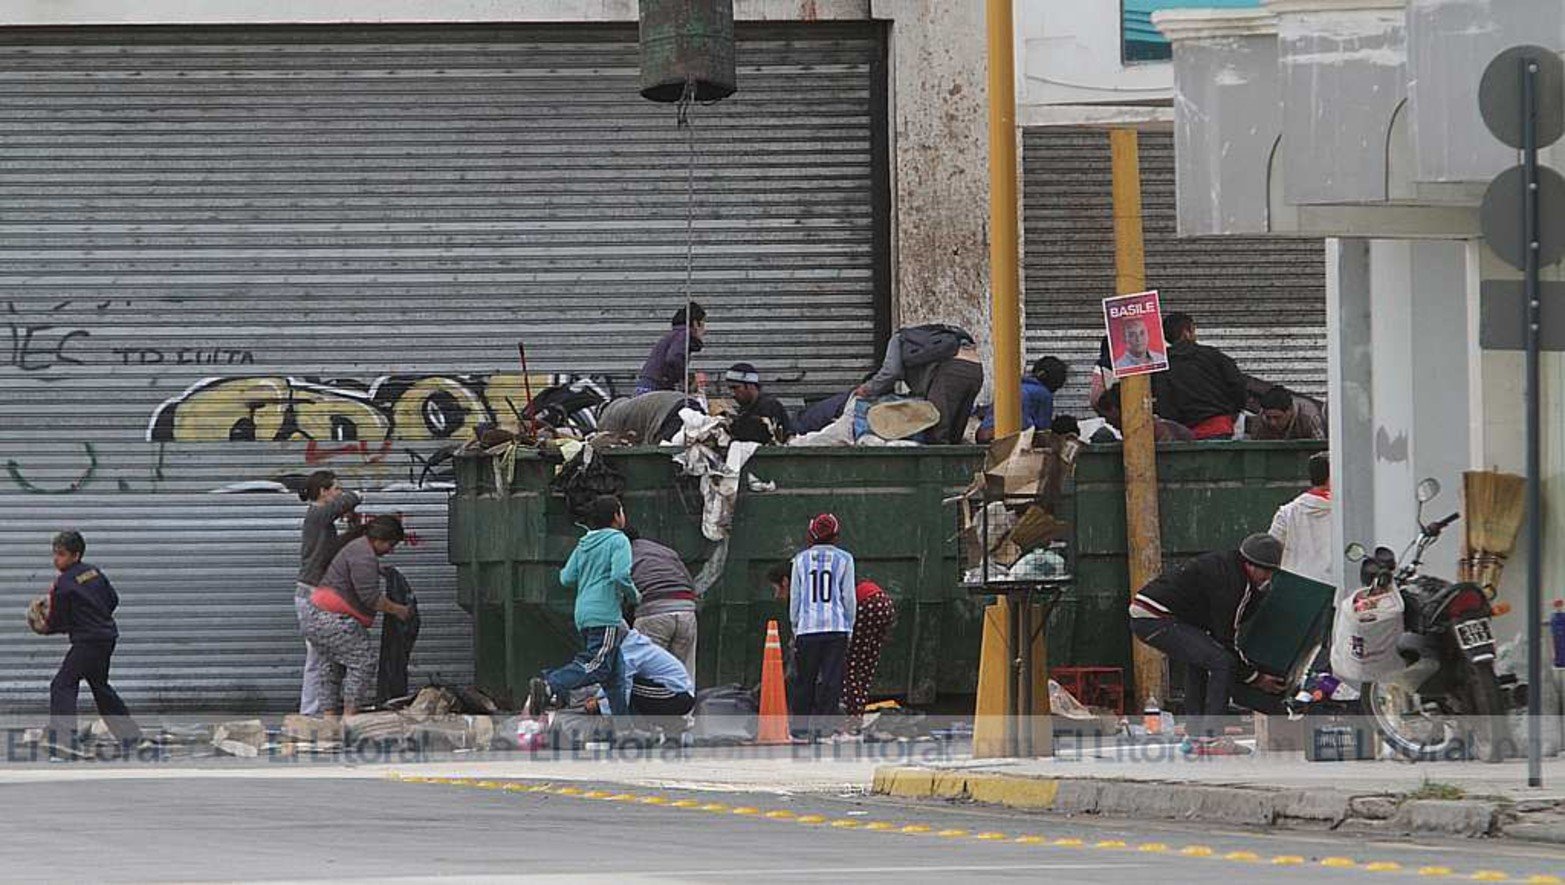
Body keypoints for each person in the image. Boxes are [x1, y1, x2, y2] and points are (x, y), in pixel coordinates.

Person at [1127, 533, 1287, 755]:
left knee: (1202, 660)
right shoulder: (1234, 585)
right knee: (1221, 661)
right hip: (1157, 617)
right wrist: (1256, 678)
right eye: (1266, 571)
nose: (1268, 578)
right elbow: (1226, 640)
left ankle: (1195, 737)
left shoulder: (1228, 567)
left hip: (1151, 614)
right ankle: (1211, 738)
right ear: (1251, 565)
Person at [528, 495, 640, 718]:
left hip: (583, 613)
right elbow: (620, 574)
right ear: (616, 516)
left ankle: (623, 729)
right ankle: (550, 684)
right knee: (596, 665)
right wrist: (634, 596)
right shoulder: (619, 540)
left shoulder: (584, 543)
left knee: (615, 679)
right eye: (621, 510)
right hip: (605, 614)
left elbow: (566, 577)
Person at [301, 515, 412, 717]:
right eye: (391, 544)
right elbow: (371, 598)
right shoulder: (363, 556)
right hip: (333, 619)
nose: (390, 550)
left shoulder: (357, 548)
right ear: (379, 539)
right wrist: (399, 610)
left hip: (315, 617)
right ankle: (349, 717)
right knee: (363, 662)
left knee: (332, 668)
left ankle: (329, 719)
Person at [42, 531, 141, 754]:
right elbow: (113, 600)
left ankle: (63, 740)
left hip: (88, 641)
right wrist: (97, 618)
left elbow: (58, 620)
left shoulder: (63, 583)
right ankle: (130, 737)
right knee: (99, 685)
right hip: (106, 638)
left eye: (61, 554)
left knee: (62, 684)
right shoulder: (94, 572)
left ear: (76, 555)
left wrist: (45, 626)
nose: (56, 559)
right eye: (55, 554)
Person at [295, 470, 361, 716]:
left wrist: (354, 525)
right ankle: (310, 712)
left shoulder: (324, 523)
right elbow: (345, 502)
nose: (340, 493)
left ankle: (318, 709)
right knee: (317, 657)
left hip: (320, 595)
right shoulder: (316, 514)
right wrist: (356, 496)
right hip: (311, 596)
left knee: (323, 656)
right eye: (336, 489)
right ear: (323, 492)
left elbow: (337, 548)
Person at [788, 513, 856, 740]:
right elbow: (849, 597)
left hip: (807, 629)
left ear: (811, 535)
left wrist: (795, 626)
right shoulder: (845, 559)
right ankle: (825, 730)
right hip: (836, 628)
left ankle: (799, 730)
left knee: (804, 680)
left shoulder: (800, 560)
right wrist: (849, 626)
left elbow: (795, 598)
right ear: (836, 536)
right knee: (831, 680)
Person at [855, 323, 984, 445]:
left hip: (951, 370)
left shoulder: (898, 339)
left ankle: (937, 462)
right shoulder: (927, 337)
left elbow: (891, 372)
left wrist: (867, 389)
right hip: (976, 369)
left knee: (936, 426)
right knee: (955, 430)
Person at [1152, 312, 1247, 440]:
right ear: (1186, 332)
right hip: (1218, 427)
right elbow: (1238, 385)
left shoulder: (1161, 366)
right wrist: (1233, 411)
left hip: (1181, 434)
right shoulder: (1213, 356)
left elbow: (1161, 401)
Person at [626, 527, 701, 682]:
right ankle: (686, 698)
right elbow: (690, 583)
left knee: (647, 675)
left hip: (653, 612)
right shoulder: (666, 551)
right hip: (686, 610)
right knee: (683, 674)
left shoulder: (620, 553)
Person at [581, 629, 695, 720]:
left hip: (677, 696)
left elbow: (621, 687)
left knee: (625, 689)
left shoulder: (627, 654)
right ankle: (669, 726)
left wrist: (601, 706)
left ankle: (670, 725)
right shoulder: (630, 645)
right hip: (673, 693)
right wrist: (598, 697)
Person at [1269, 452, 1336, 587]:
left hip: (1294, 587)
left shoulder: (1286, 513)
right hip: (1333, 586)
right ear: (1331, 477)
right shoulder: (1346, 514)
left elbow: (1271, 552)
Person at [841, 578, 897, 733]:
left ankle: (853, 718)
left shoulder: (842, 588)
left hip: (866, 605)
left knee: (851, 668)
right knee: (867, 665)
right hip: (884, 605)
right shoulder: (858, 583)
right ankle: (858, 712)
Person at [975, 356, 1068, 444]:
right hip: (1007, 439)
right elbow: (1043, 431)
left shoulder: (1014, 386)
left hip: (984, 435)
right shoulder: (1044, 393)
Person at [636, 303, 707, 395]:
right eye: (703, 323)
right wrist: (686, 377)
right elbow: (674, 358)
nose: (705, 329)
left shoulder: (676, 334)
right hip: (656, 385)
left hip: (649, 383)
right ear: (695, 323)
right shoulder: (683, 335)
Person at [1088, 385, 1195, 444]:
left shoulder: (1150, 430)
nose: (1107, 421)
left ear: (1117, 409)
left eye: (1107, 416)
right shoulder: (1146, 427)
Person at [597, 391, 701, 445]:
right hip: (690, 404)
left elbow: (609, 443)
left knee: (666, 456)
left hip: (671, 413)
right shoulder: (627, 406)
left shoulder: (608, 418)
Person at [725, 362, 791, 444]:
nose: (732, 394)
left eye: (736, 388)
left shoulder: (770, 407)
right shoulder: (744, 410)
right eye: (730, 389)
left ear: (750, 385)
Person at [1250, 384, 1327, 441]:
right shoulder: (1260, 419)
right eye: (1268, 418)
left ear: (1290, 410)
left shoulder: (1309, 416)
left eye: (1277, 417)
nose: (1273, 422)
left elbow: (1320, 447)